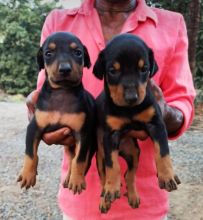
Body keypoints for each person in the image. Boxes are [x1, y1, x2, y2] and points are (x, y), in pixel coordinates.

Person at [27, 0, 196, 219]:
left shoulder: (171, 24)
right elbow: (47, 92)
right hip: (81, 199)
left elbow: (182, 100)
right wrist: (41, 119)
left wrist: (164, 114)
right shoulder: (59, 21)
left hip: (145, 205)